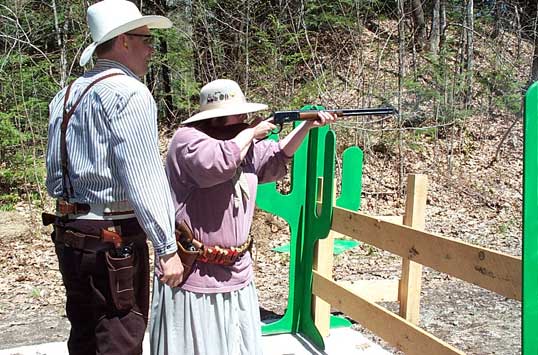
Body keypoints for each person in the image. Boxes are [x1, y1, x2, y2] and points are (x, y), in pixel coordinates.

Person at [149, 79, 337, 355]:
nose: (245, 119)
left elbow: (275, 157)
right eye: (238, 114)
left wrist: (306, 126)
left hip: (236, 268)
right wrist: (253, 133)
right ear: (218, 117)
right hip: (195, 271)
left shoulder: (242, 143)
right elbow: (216, 163)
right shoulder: (187, 140)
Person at [44, 1, 183, 354]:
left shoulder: (66, 95)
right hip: (113, 238)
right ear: (123, 41)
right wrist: (167, 246)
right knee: (121, 337)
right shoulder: (129, 93)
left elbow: (53, 173)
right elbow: (143, 175)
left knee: (85, 335)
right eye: (145, 39)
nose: (152, 49)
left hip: (70, 233)